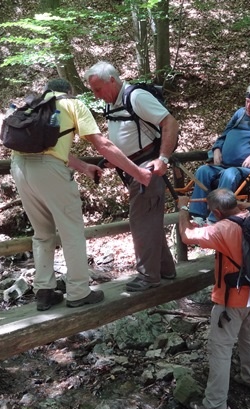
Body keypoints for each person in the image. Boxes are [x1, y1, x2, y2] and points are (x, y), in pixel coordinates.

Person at [9, 78, 153, 311]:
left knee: (42, 233)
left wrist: (84, 167)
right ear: (69, 91)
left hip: (18, 167)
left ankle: (44, 291)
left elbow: (49, 150)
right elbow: (102, 145)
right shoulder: (72, 104)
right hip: (50, 172)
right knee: (71, 232)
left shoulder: (34, 104)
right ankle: (78, 292)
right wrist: (137, 172)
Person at [84, 61, 178, 292]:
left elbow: (170, 123)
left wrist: (163, 158)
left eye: (98, 89)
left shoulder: (135, 97)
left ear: (112, 81)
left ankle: (148, 277)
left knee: (141, 222)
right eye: (93, 91)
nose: (96, 96)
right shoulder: (114, 103)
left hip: (147, 169)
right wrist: (113, 159)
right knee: (149, 220)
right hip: (133, 169)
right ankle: (165, 270)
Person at [178, 188, 250, 409]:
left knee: (220, 349)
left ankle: (215, 404)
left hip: (232, 300)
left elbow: (186, 236)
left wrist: (182, 208)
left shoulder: (223, 229)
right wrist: (248, 202)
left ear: (217, 212)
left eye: (211, 210)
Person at [187, 82, 250, 222]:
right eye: (247, 102)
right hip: (225, 165)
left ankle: (213, 219)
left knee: (230, 173)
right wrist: (216, 149)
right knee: (203, 171)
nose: (248, 107)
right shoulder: (239, 114)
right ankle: (197, 216)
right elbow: (223, 135)